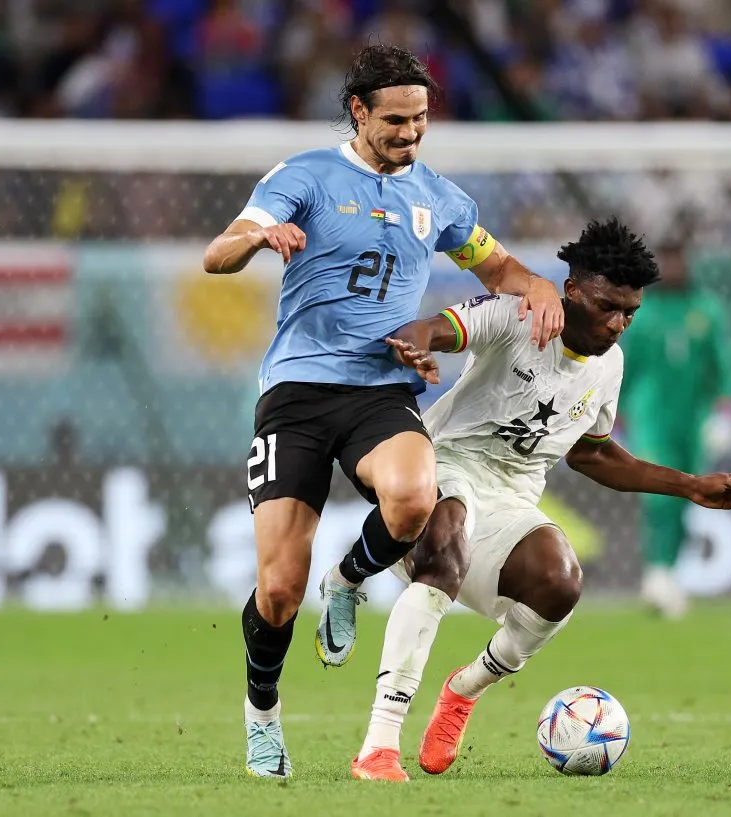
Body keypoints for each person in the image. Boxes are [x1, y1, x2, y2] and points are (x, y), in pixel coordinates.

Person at [201, 43, 564, 779]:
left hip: (378, 389)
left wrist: (542, 287)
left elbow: (498, 268)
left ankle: (349, 577)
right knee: (276, 590)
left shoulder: (439, 197)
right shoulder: (304, 175)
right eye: (395, 119)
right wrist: (258, 239)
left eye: (422, 118)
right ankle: (263, 714)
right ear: (359, 112)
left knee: (412, 497)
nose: (410, 133)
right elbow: (218, 252)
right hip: (298, 393)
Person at [348, 218, 731, 781]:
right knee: (446, 537)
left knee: (562, 580)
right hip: (443, 467)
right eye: (607, 306)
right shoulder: (515, 315)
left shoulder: (609, 365)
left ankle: (463, 691)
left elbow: (593, 455)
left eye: (629, 313)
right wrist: (415, 351)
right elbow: (428, 330)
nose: (617, 324)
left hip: (511, 498)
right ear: (572, 291)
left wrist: (693, 486)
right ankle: (380, 744)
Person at [617, 237, 731, 618]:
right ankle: (656, 573)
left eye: (677, 260)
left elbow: (723, 366)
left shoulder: (707, 311)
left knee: (691, 495)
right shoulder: (642, 313)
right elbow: (624, 367)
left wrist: (727, 412)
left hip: (694, 419)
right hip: (651, 418)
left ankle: (668, 574)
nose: (671, 269)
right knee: (659, 494)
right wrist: (615, 413)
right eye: (665, 261)